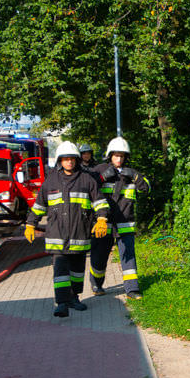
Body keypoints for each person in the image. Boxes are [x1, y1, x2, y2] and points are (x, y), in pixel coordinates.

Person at [25, 141, 110, 317]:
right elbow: (39, 205)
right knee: (60, 270)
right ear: (60, 161)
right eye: (65, 159)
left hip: (79, 233)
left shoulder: (86, 179)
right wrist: (30, 224)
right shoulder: (51, 181)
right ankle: (62, 303)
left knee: (78, 270)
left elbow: (100, 202)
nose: (69, 162)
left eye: (72, 159)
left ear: (77, 160)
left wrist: (101, 218)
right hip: (57, 235)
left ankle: (74, 298)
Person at [89, 136, 149, 299]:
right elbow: (88, 188)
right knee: (99, 257)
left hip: (125, 223)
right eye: (116, 155)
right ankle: (96, 283)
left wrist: (135, 177)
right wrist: (101, 178)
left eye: (122, 156)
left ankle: (132, 289)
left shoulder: (131, 173)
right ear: (110, 156)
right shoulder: (99, 170)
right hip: (104, 223)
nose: (119, 159)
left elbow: (147, 188)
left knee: (128, 257)